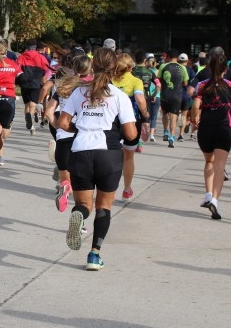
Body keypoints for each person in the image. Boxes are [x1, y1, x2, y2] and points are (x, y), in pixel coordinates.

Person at [57, 47, 137, 271]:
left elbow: (63, 124)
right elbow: (131, 134)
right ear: (115, 69)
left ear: (93, 66)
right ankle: (94, 255)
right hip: (108, 154)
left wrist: (81, 127)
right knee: (104, 207)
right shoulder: (119, 96)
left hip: (81, 150)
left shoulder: (78, 93)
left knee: (84, 204)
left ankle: (78, 216)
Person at [190, 47, 231, 220]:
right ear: (225, 70)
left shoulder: (202, 86)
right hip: (223, 128)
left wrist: (194, 120)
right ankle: (215, 199)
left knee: (209, 161)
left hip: (205, 129)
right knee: (220, 166)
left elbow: (195, 106)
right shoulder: (230, 86)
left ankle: (207, 194)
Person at [45, 55, 91, 213]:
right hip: (82, 138)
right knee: (83, 186)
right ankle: (81, 220)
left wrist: (58, 126)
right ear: (89, 69)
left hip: (63, 138)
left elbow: (49, 111)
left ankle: (65, 189)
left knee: (66, 179)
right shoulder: (88, 88)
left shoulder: (62, 87)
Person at [112, 54, 150, 200]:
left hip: (112, 123)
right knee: (128, 157)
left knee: (113, 155)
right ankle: (127, 189)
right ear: (131, 67)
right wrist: (145, 115)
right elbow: (140, 100)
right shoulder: (136, 81)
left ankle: (111, 188)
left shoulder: (110, 80)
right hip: (131, 122)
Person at [17, 40, 53, 135]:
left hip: (24, 83)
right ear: (35, 47)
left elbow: (17, 68)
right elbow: (47, 69)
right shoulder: (40, 57)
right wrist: (44, 76)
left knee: (27, 104)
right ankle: (31, 120)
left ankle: (28, 120)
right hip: (36, 83)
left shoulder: (22, 57)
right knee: (33, 104)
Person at [157, 50, 189, 148]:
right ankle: (171, 136)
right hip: (177, 96)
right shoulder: (183, 68)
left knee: (165, 113)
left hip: (165, 95)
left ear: (168, 57)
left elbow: (159, 79)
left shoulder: (163, 66)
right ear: (177, 58)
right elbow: (186, 83)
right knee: (173, 117)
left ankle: (165, 131)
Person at [134, 52, 160, 144]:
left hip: (134, 97)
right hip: (146, 96)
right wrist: (154, 95)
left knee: (134, 118)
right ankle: (145, 125)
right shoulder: (150, 72)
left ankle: (137, 140)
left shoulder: (131, 71)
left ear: (134, 59)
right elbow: (158, 85)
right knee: (145, 116)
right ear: (145, 60)